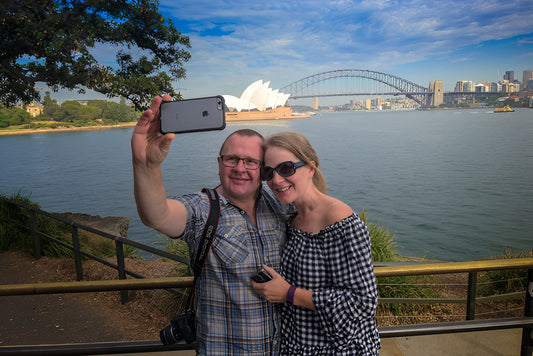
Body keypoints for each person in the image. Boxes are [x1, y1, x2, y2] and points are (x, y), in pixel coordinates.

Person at [131, 95, 287, 355]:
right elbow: (157, 215)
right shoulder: (203, 209)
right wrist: (146, 165)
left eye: (251, 162)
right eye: (231, 159)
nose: (240, 168)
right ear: (219, 164)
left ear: (263, 169)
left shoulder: (281, 207)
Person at [252, 131, 381, 355]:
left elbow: (364, 302)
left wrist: (289, 293)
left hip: (338, 349)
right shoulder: (292, 216)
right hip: (296, 347)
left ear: (311, 168)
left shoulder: (339, 221)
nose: (276, 180)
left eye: (286, 168)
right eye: (268, 172)